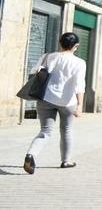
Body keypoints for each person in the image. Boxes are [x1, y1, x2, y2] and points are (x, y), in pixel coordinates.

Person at [23, 33, 88, 174]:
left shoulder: (48, 56)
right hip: (67, 101)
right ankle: (66, 161)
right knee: (66, 130)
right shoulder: (79, 62)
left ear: (60, 42)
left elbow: (33, 71)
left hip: (45, 98)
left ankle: (31, 155)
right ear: (76, 46)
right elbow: (79, 85)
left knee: (45, 131)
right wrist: (80, 106)